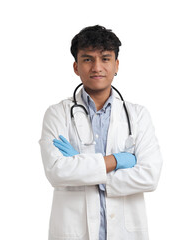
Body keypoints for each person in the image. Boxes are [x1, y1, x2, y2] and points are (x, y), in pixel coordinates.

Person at [39, 25, 163, 240]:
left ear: (116, 65)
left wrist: (81, 165)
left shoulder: (138, 115)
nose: (97, 67)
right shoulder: (57, 114)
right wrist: (116, 161)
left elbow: (150, 176)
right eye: (88, 59)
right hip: (74, 232)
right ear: (76, 67)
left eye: (105, 59)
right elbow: (57, 172)